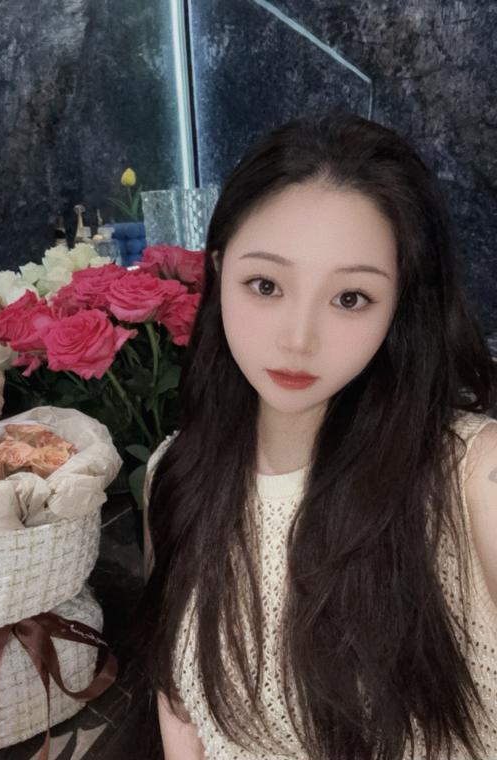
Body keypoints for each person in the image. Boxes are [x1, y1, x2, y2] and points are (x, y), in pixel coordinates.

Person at [135, 114, 497, 760]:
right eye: (266, 285)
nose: (298, 339)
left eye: (350, 298)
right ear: (218, 274)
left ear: (400, 304)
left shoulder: (473, 478)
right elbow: (180, 701)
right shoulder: (177, 475)